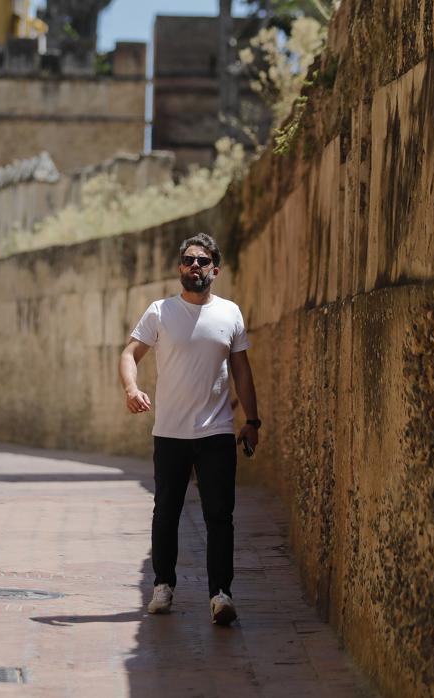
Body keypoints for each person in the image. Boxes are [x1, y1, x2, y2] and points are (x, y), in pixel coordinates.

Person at [118, 232, 260, 626]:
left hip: (216, 432)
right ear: (180, 268)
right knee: (166, 511)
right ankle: (163, 585)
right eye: (187, 261)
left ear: (215, 268)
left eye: (201, 261)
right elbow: (130, 353)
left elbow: (242, 371)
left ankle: (221, 594)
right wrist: (131, 387)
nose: (193, 267)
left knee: (220, 516)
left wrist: (252, 420)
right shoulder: (160, 312)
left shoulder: (230, 313)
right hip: (170, 433)